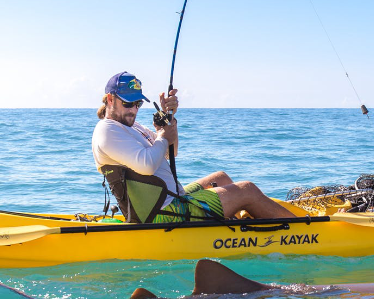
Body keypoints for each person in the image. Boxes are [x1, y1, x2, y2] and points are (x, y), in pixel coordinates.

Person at [92, 71, 294, 223]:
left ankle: (240, 222)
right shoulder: (107, 130)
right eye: (128, 104)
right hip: (162, 214)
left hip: (172, 199)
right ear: (110, 99)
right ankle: (302, 229)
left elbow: (171, 152)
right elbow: (147, 166)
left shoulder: (132, 127)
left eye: (138, 103)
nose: (134, 110)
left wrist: (170, 120)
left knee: (220, 177)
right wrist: (163, 136)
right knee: (247, 189)